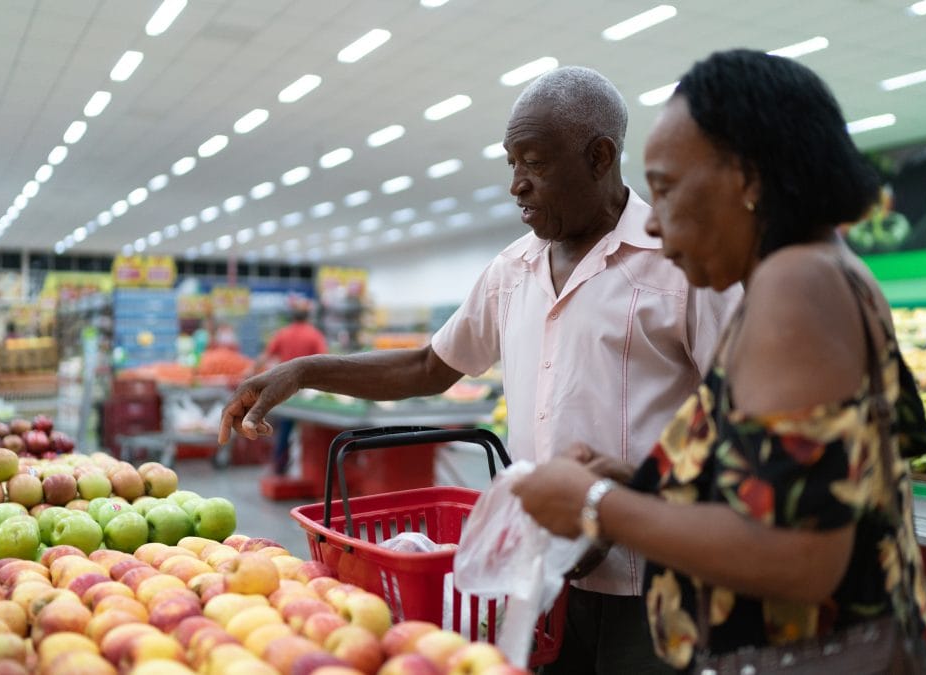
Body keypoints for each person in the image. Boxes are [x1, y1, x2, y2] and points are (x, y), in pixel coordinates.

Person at [221, 66, 740, 674]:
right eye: (511, 164)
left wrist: (631, 488)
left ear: (600, 157)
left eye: (535, 163)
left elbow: (740, 418)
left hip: (657, 576)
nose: (517, 185)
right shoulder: (511, 270)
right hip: (541, 577)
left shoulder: (678, 266)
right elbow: (428, 366)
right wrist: (304, 370)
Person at [512, 49, 926, 672]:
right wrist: (647, 482)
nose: (652, 223)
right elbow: (810, 488)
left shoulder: (796, 286)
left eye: (665, 188)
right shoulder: (823, 271)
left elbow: (800, 556)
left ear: (749, 178)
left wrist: (596, 502)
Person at [260, 298, 328, 474]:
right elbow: (327, 362)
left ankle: (279, 466)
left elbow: (266, 356)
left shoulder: (283, 333)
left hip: (286, 389)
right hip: (309, 392)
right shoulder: (314, 335)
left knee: (285, 428)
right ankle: (314, 468)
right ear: (308, 316)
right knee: (312, 430)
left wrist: (250, 372)